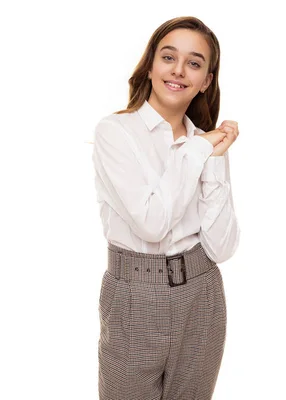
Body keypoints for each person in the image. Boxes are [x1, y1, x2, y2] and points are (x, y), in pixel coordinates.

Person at [92, 16, 240, 400]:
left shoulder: (201, 144)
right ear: (151, 65)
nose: (178, 70)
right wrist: (201, 149)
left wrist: (214, 159)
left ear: (207, 79)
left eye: (194, 63)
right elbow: (152, 224)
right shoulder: (115, 133)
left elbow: (221, 248)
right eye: (168, 57)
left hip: (202, 296)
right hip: (134, 298)